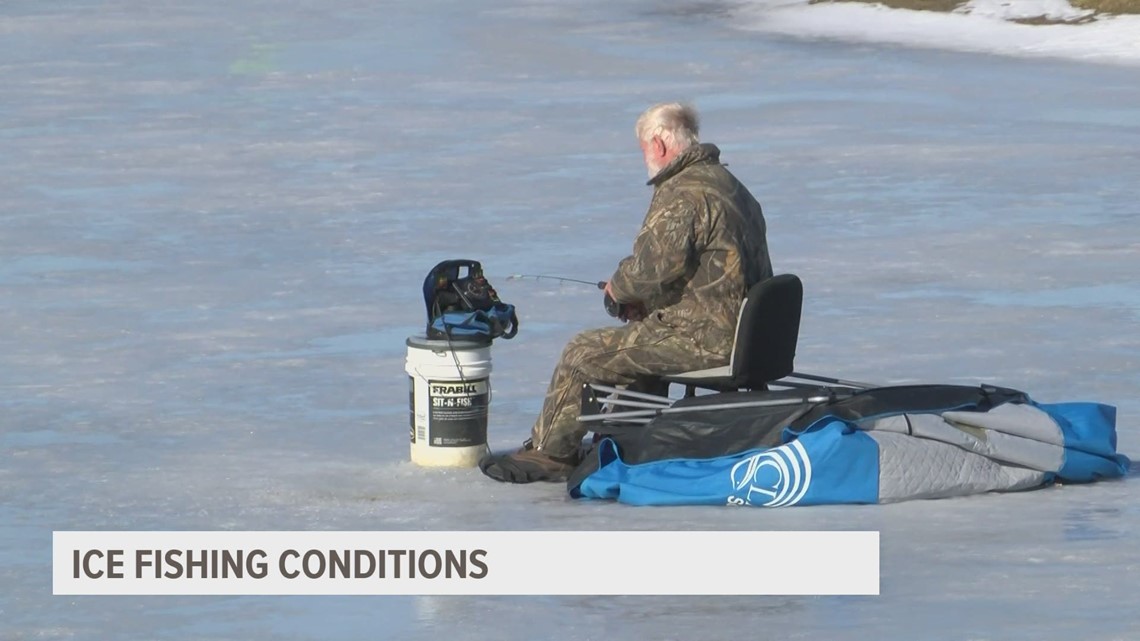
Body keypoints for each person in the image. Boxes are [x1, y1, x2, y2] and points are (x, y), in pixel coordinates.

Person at [480, 102, 773, 483]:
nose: (645, 160)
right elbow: (704, 270)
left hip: (706, 339)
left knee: (582, 352)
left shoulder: (683, 193)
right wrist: (646, 304)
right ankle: (625, 437)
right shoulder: (731, 187)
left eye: (643, 151)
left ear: (659, 144)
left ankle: (550, 453)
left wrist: (618, 289)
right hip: (739, 334)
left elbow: (651, 269)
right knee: (635, 342)